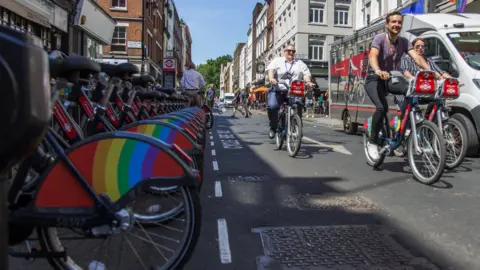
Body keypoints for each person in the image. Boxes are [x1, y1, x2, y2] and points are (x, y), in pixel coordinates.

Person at [365, 11, 431, 160]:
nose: (397, 25)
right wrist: (377, 70)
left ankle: (403, 130)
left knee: (410, 92)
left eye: (399, 22)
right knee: (382, 108)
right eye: (393, 22)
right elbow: (373, 55)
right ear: (387, 24)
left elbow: (417, 58)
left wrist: (431, 72)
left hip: (390, 79)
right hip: (374, 78)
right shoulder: (380, 38)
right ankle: (373, 142)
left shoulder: (404, 41)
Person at [266, 44, 315, 138]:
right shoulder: (277, 61)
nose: (291, 53)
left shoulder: (299, 63)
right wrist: (272, 78)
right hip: (278, 89)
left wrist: (308, 82)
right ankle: (273, 126)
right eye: (289, 51)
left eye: (293, 51)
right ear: (284, 51)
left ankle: (298, 126)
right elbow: (271, 70)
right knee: (272, 106)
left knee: (298, 104)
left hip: (293, 90)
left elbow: (306, 73)